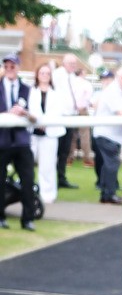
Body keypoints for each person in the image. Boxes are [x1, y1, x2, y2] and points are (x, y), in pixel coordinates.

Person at [93, 67, 122, 204]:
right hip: (105, 133)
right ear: (117, 77)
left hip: (115, 135)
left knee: (109, 164)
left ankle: (106, 193)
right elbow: (121, 111)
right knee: (112, 163)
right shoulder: (112, 91)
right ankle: (109, 193)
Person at [0, 54, 37, 230]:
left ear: (18, 67)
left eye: (12, 66)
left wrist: (24, 113)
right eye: (6, 66)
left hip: (22, 142)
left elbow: (36, 116)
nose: (9, 68)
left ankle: (28, 218)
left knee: (28, 180)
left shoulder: (27, 89)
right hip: (2, 141)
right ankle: (0, 217)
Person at [28, 63, 67, 204]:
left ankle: (48, 194)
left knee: (48, 165)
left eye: (47, 73)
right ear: (37, 75)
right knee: (27, 164)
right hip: (32, 132)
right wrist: (38, 121)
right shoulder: (31, 91)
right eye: (42, 73)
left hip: (50, 132)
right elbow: (30, 108)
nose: (44, 75)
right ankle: (27, 191)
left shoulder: (56, 93)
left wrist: (45, 122)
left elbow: (58, 111)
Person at [51, 53, 81, 189]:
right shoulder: (57, 74)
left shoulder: (73, 77)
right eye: (70, 63)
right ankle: (53, 178)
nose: (73, 66)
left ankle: (61, 177)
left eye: (74, 64)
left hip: (70, 117)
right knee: (56, 150)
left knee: (65, 150)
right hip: (59, 117)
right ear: (64, 63)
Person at [90, 70, 115, 189]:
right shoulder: (98, 94)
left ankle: (111, 183)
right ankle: (100, 181)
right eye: (104, 79)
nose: (106, 81)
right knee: (100, 157)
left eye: (108, 79)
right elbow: (94, 105)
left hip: (113, 132)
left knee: (111, 160)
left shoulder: (117, 94)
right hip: (99, 130)